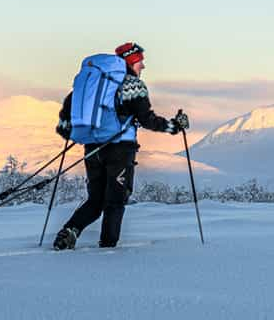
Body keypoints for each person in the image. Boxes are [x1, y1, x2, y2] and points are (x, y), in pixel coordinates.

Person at [53, 42, 189, 250]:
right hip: (120, 150)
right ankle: (108, 249)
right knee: (116, 200)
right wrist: (174, 126)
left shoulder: (87, 88)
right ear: (131, 61)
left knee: (96, 200)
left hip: (92, 149)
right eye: (139, 61)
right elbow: (147, 119)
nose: (142, 66)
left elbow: (64, 126)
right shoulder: (132, 85)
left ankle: (70, 230)